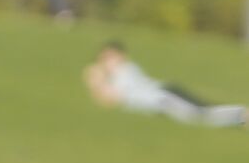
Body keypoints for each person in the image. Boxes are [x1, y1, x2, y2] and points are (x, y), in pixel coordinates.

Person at [83, 41, 246, 128]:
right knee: (203, 111)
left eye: (110, 57)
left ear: (121, 56)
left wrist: (95, 83)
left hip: (164, 98)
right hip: (165, 94)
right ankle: (240, 118)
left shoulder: (123, 71)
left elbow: (112, 100)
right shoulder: (122, 72)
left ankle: (242, 115)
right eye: (104, 58)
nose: (106, 62)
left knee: (199, 116)